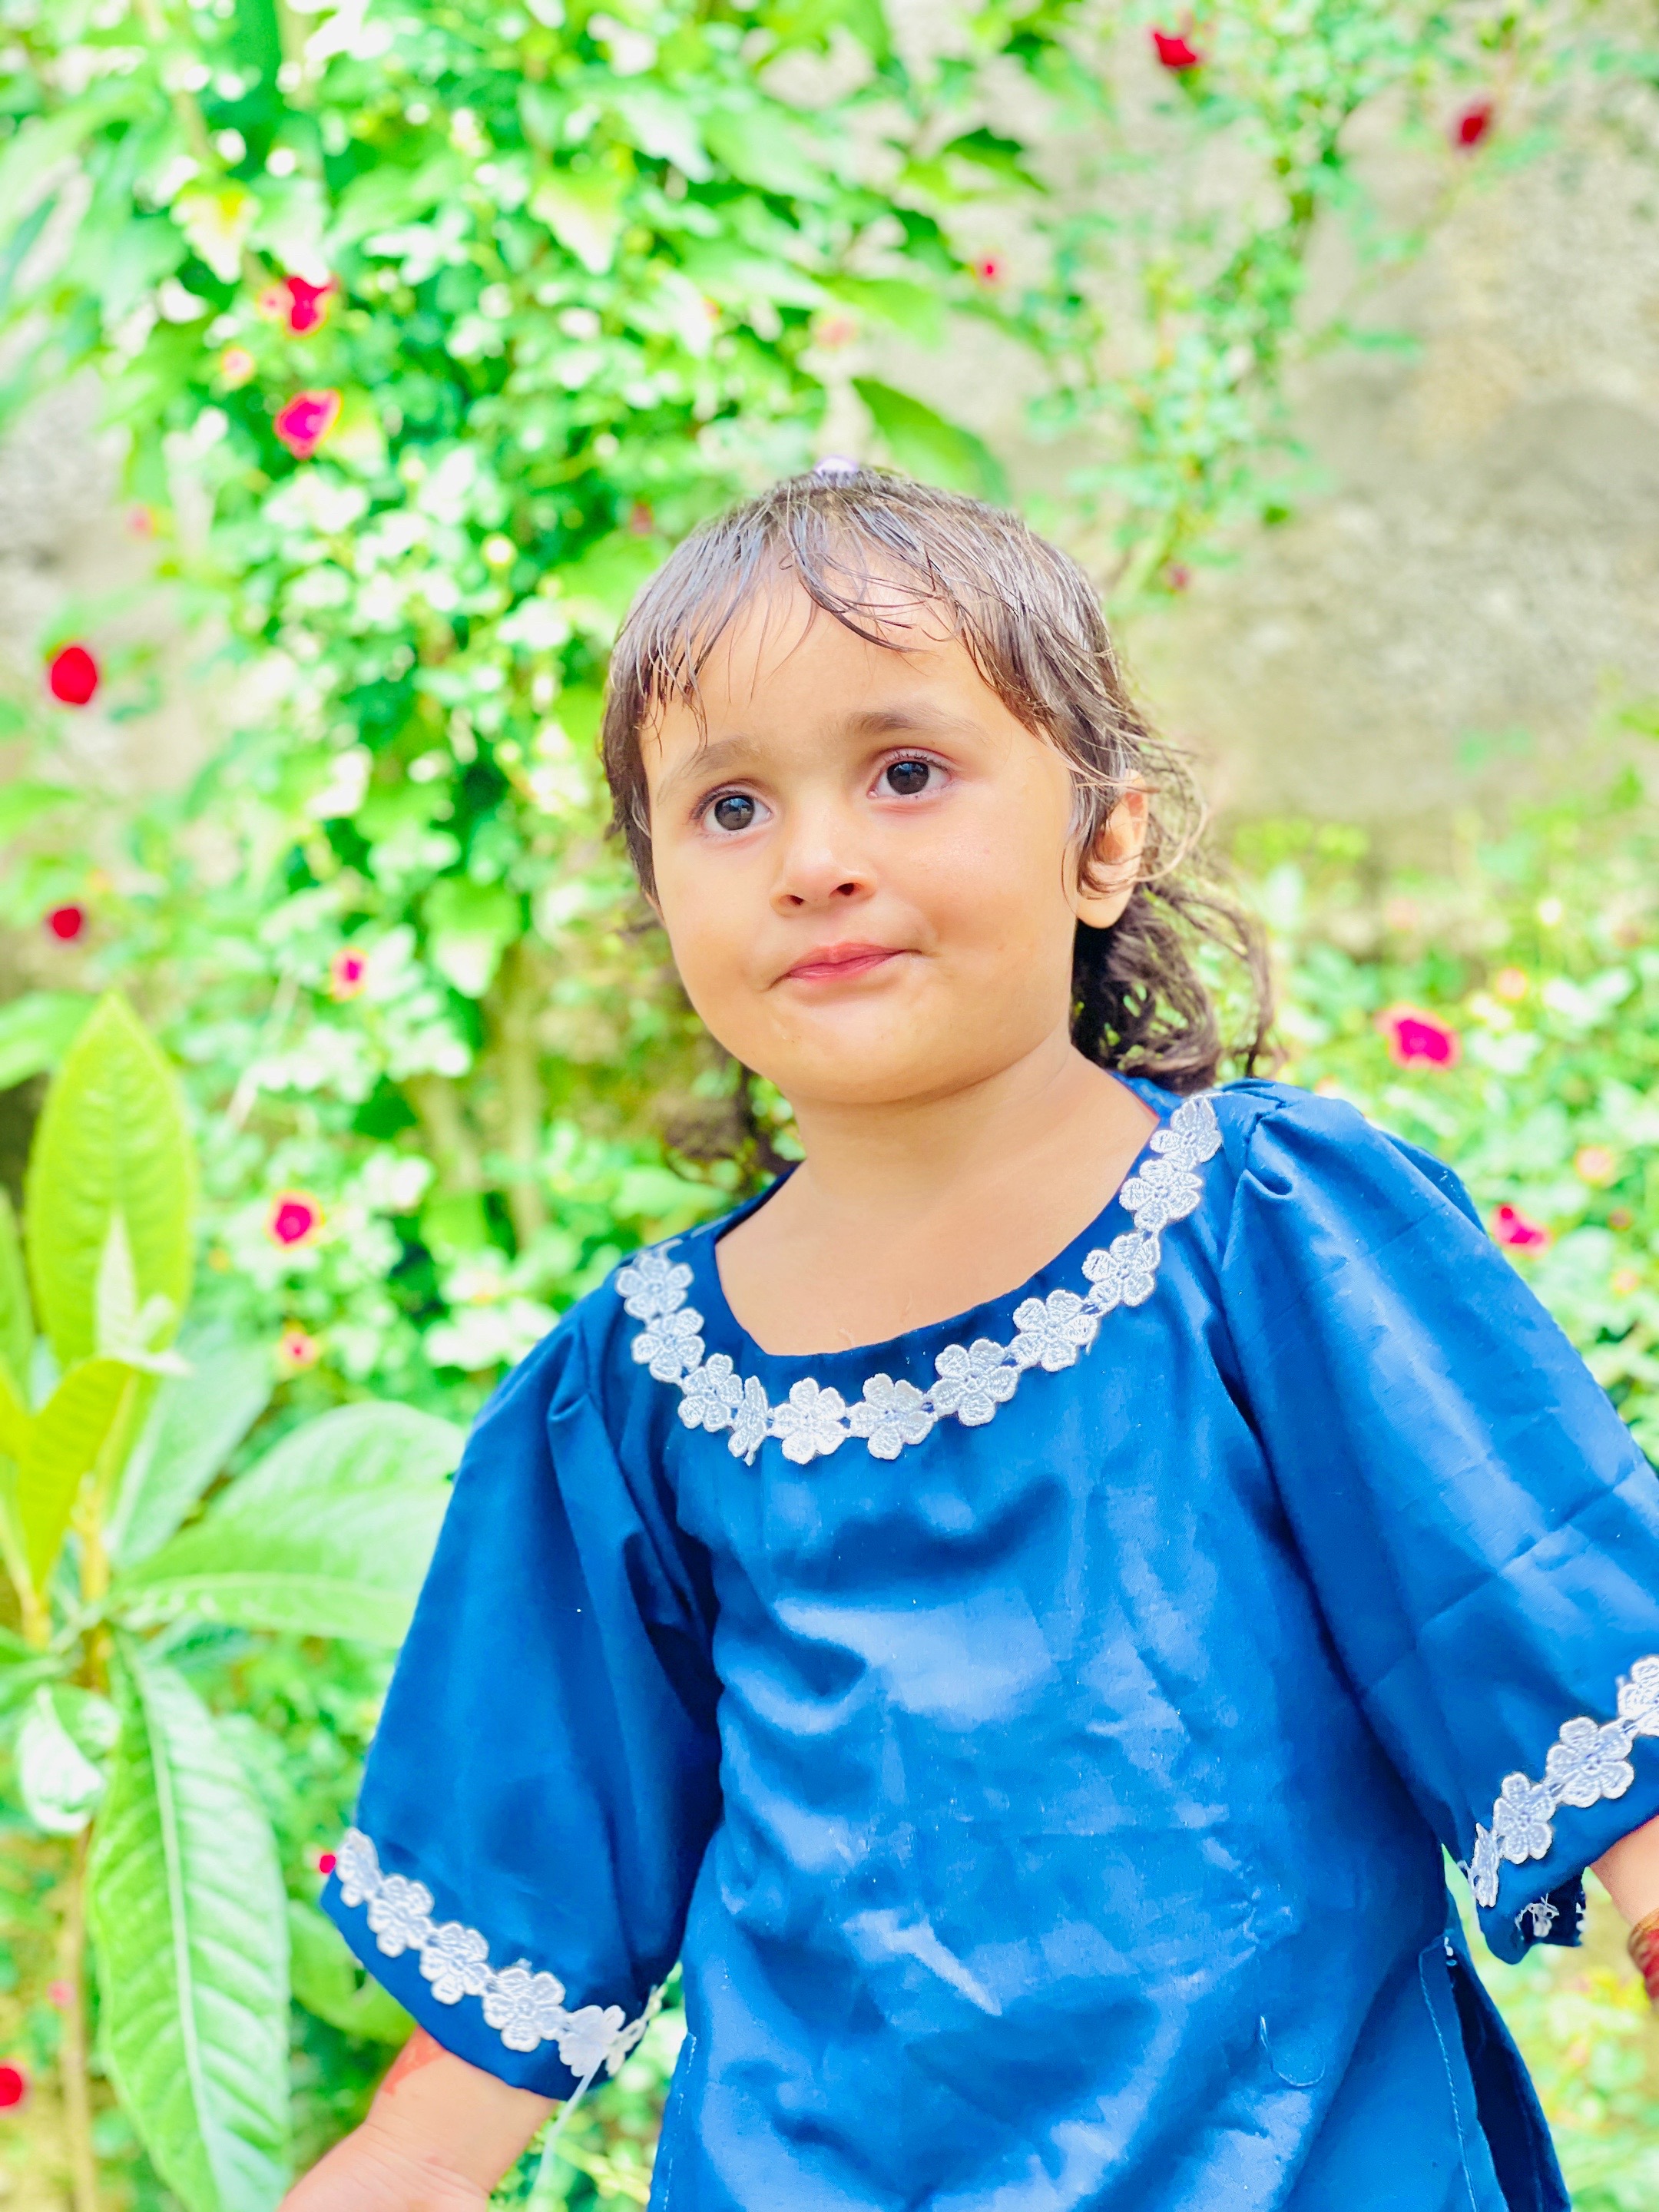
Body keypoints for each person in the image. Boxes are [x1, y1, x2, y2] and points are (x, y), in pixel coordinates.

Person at [285, 469, 1659, 2212]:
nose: (817, 863)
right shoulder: (631, 1406)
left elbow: (1566, 1648)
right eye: (728, 807)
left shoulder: (1274, 1240)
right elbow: (511, 1959)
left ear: (1105, 841)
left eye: (907, 772)